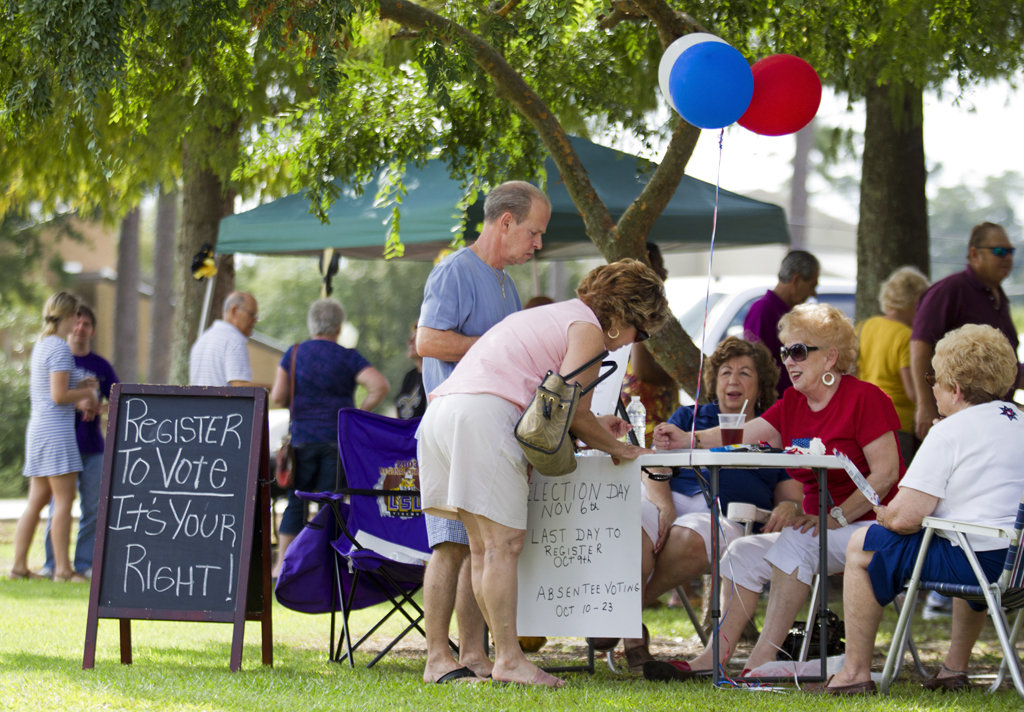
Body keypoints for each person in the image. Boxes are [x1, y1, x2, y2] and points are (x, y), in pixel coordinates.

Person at [419, 259, 671, 687]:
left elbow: (569, 409)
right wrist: (621, 448)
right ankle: (510, 660)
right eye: (640, 332)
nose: (633, 342)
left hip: (443, 414)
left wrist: (598, 429)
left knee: (483, 549)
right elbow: (572, 412)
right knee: (503, 546)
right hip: (485, 415)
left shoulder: (554, 315)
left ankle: (486, 658)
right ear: (625, 315)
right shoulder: (589, 331)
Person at [648, 303, 904, 679]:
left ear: (831, 357)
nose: (789, 361)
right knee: (742, 551)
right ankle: (713, 658)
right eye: (785, 352)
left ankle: (761, 664)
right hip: (824, 530)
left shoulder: (866, 398)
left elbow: (885, 475)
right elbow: (740, 436)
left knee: (796, 542)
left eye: (798, 351)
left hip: (870, 529)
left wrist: (835, 517)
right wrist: (687, 438)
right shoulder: (793, 404)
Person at [822, 324, 1024, 695]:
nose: (931, 387)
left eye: (935, 379)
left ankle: (854, 673)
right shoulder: (1019, 420)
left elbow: (903, 518)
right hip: (1017, 565)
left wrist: (882, 514)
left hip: (983, 564)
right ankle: (953, 668)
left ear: (956, 390)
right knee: (967, 536)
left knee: (862, 545)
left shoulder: (950, 432)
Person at [602, 337, 802, 672]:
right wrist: (664, 506)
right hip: (669, 496)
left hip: (726, 512)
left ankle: (617, 614)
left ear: (761, 382)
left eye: (744, 373)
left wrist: (790, 508)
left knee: (692, 539)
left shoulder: (772, 429)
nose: (733, 380)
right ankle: (629, 630)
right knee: (630, 522)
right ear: (714, 381)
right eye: (725, 372)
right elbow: (655, 465)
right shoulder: (692, 416)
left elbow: (792, 495)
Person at [416, 180, 548, 684]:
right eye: (533, 233)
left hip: (487, 435)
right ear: (506, 222)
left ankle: (473, 655)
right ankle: (435, 659)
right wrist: (492, 349)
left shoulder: (505, 283)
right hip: (455, 429)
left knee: (477, 546)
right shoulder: (454, 269)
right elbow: (427, 341)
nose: (537, 245)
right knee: (450, 546)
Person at [270, 298, 389, 577]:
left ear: (312, 323)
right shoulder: (348, 357)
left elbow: (277, 396)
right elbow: (379, 386)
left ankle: (282, 567)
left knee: (295, 502)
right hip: (336, 442)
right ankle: (328, 566)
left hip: (301, 441)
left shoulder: (295, 353)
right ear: (338, 326)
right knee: (331, 504)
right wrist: (355, 413)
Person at [10, 292, 99, 582]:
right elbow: (59, 395)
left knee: (37, 500)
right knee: (64, 500)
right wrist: (87, 391)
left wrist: (79, 382)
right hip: (56, 433)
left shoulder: (42, 345)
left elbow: (55, 388)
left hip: (38, 431)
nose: (78, 323)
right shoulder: (60, 349)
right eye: (77, 317)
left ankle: (19, 566)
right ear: (71, 317)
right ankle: (62, 569)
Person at [911, 222, 1021, 442]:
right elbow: (919, 345)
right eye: (999, 251)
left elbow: (1004, 368)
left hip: (995, 419)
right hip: (954, 418)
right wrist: (924, 405)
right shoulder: (949, 290)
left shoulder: (999, 297)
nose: (1007, 258)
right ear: (974, 254)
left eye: (1010, 252)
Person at [40, 304, 119, 579]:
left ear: (92, 330)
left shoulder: (101, 365)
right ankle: (52, 564)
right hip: (62, 443)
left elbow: (117, 398)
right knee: (57, 505)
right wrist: (79, 400)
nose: (80, 328)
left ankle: (84, 564)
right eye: (77, 322)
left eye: (86, 324)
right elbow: (53, 396)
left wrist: (101, 407)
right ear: (69, 324)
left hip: (92, 447)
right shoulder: (59, 357)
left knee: (93, 508)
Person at [856, 266, 930, 460]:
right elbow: (912, 391)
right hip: (898, 424)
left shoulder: (864, 327)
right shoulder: (906, 337)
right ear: (915, 302)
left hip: (865, 420)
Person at [621, 243, 679, 446]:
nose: (665, 272)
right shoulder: (638, 315)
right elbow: (643, 370)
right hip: (644, 424)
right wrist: (676, 372)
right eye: (659, 266)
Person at [743, 250, 820, 397]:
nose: (813, 293)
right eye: (812, 286)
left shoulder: (791, 313)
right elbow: (756, 364)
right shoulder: (763, 311)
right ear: (796, 280)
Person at [189, 291, 259, 387]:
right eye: (251, 314)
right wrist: (271, 388)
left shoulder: (202, 339)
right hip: (222, 402)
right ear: (234, 310)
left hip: (197, 402)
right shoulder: (234, 340)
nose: (255, 320)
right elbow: (240, 387)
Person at [395, 323, 426, 420]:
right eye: (411, 337)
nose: (410, 341)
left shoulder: (436, 376)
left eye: (416, 337)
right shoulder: (409, 376)